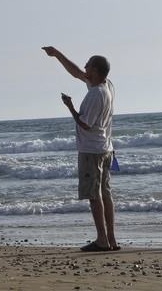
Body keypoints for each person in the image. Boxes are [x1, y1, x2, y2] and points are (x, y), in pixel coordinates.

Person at [42, 46, 118, 252]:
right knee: (105, 193)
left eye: (88, 65)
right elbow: (76, 72)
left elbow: (85, 124)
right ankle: (111, 239)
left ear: (94, 70)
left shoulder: (96, 94)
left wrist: (70, 107)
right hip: (106, 148)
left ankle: (102, 240)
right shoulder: (107, 85)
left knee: (95, 195)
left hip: (92, 150)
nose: (84, 67)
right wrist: (57, 55)